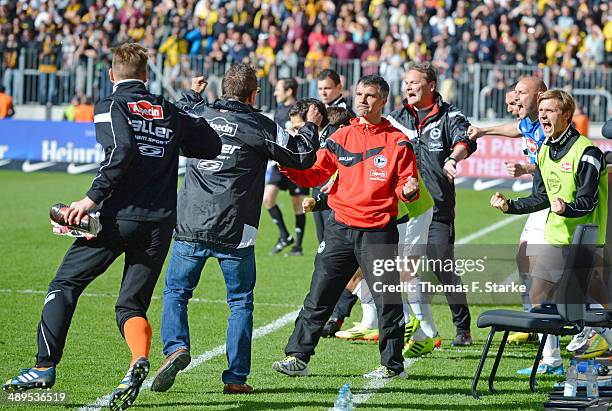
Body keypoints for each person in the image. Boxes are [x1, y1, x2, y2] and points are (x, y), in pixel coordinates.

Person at [1, 43, 222, 411]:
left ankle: (43, 367)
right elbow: (211, 144)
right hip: (160, 224)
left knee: (65, 283)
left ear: (111, 74)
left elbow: (120, 153)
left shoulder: (111, 104)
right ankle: (137, 360)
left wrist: (89, 200)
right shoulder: (167, 110)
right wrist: (176, 127)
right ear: (147, 75)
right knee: (131, 303)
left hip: (117, 217)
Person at [151, 64, 322, 395]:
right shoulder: (261, 125)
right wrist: (310, 127)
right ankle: (236, 379)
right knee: (240, 302)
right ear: (254, 94)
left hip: (190, 223)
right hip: (235, 229)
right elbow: (302, 157)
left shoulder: (198, 114)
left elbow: (179, 109)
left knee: (176, 293)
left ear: (222, 89)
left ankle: (175, 348)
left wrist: (193, 93)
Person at [272, 75, 419, 379]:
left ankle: (393, 367)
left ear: (383, 101)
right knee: (319, 295)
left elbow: (407, 182)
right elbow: (314, 175)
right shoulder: (341, 137)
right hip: (339, 228)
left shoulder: (398, 141)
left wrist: (410, 188)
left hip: (378, 231)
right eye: (359, 94)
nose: (362, 100)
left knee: (387, 300)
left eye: (370, 96)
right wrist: (286, 166)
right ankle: (298, 357)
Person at [490, 89, 609, 369]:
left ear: (567, 115)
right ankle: (552, 359)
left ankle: (599, 339)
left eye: (550, 111)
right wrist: (511, 206)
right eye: (541, 110)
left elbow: (588, 200)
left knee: (591, 297)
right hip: (556, 235)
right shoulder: (544, 149)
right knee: (541, 294)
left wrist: (566, 208)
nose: (542, 115)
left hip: (585, 237)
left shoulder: (587, 152)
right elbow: (541, 198)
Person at [469, 77, 564, 368]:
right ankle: (551, 335)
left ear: (541, 96)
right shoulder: (531, 123)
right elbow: (516, 130)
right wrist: (485, 130)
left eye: (522, 92)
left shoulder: (553, 126)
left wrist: (527, 166)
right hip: (542, 202)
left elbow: (559, 158)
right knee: (529, 264)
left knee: (549, 276)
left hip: (557, 205)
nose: (516, 97)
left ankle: (564, 343)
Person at [387, 62, 476, 347]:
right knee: (405, 269)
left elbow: (465, 140)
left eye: (414, 82)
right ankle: (422, 329)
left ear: (431, 86)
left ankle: (463, 328)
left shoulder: (450, 115)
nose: (408, 87)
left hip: (438, 208)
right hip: (405, 209)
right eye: (406, 83)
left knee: (442, 266)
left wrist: (453, 158)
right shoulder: (396, 118)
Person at [316, 69, 359, 337]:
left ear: (339, 87)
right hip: (323, 190)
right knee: (326, 255)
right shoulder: (320, 113)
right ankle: (335, 312)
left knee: (345, 258)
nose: (323, 93)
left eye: (327, 89)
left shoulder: (346, 118)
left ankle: (337, 313)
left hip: (342, 194)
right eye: (320, 89)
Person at [265, 77, 311, 256]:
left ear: (289, 91)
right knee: (268, 199)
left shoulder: (300, 110)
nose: (275, 92)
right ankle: (284, 236)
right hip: (278, 164)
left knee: (297, 204)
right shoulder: (278, 110)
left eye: (278, 89)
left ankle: (298, 246)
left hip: (296, 165)